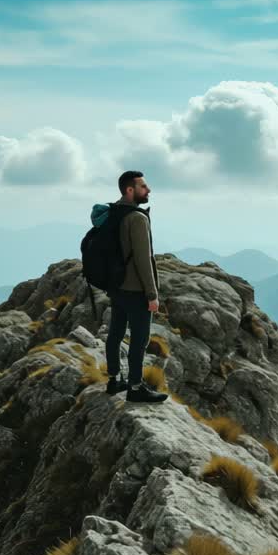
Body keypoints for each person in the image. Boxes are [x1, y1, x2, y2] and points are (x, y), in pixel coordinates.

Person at [103, 170, 168, 403]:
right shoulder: (138, 218)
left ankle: (113, 380)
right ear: (130, 190)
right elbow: (143, 259)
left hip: (116, 286)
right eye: (143, 187)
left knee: (116, 334)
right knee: (139, 340)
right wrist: (152, 294)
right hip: (135, 290)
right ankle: (136, 387)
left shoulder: (114, 212)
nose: (148, 190)